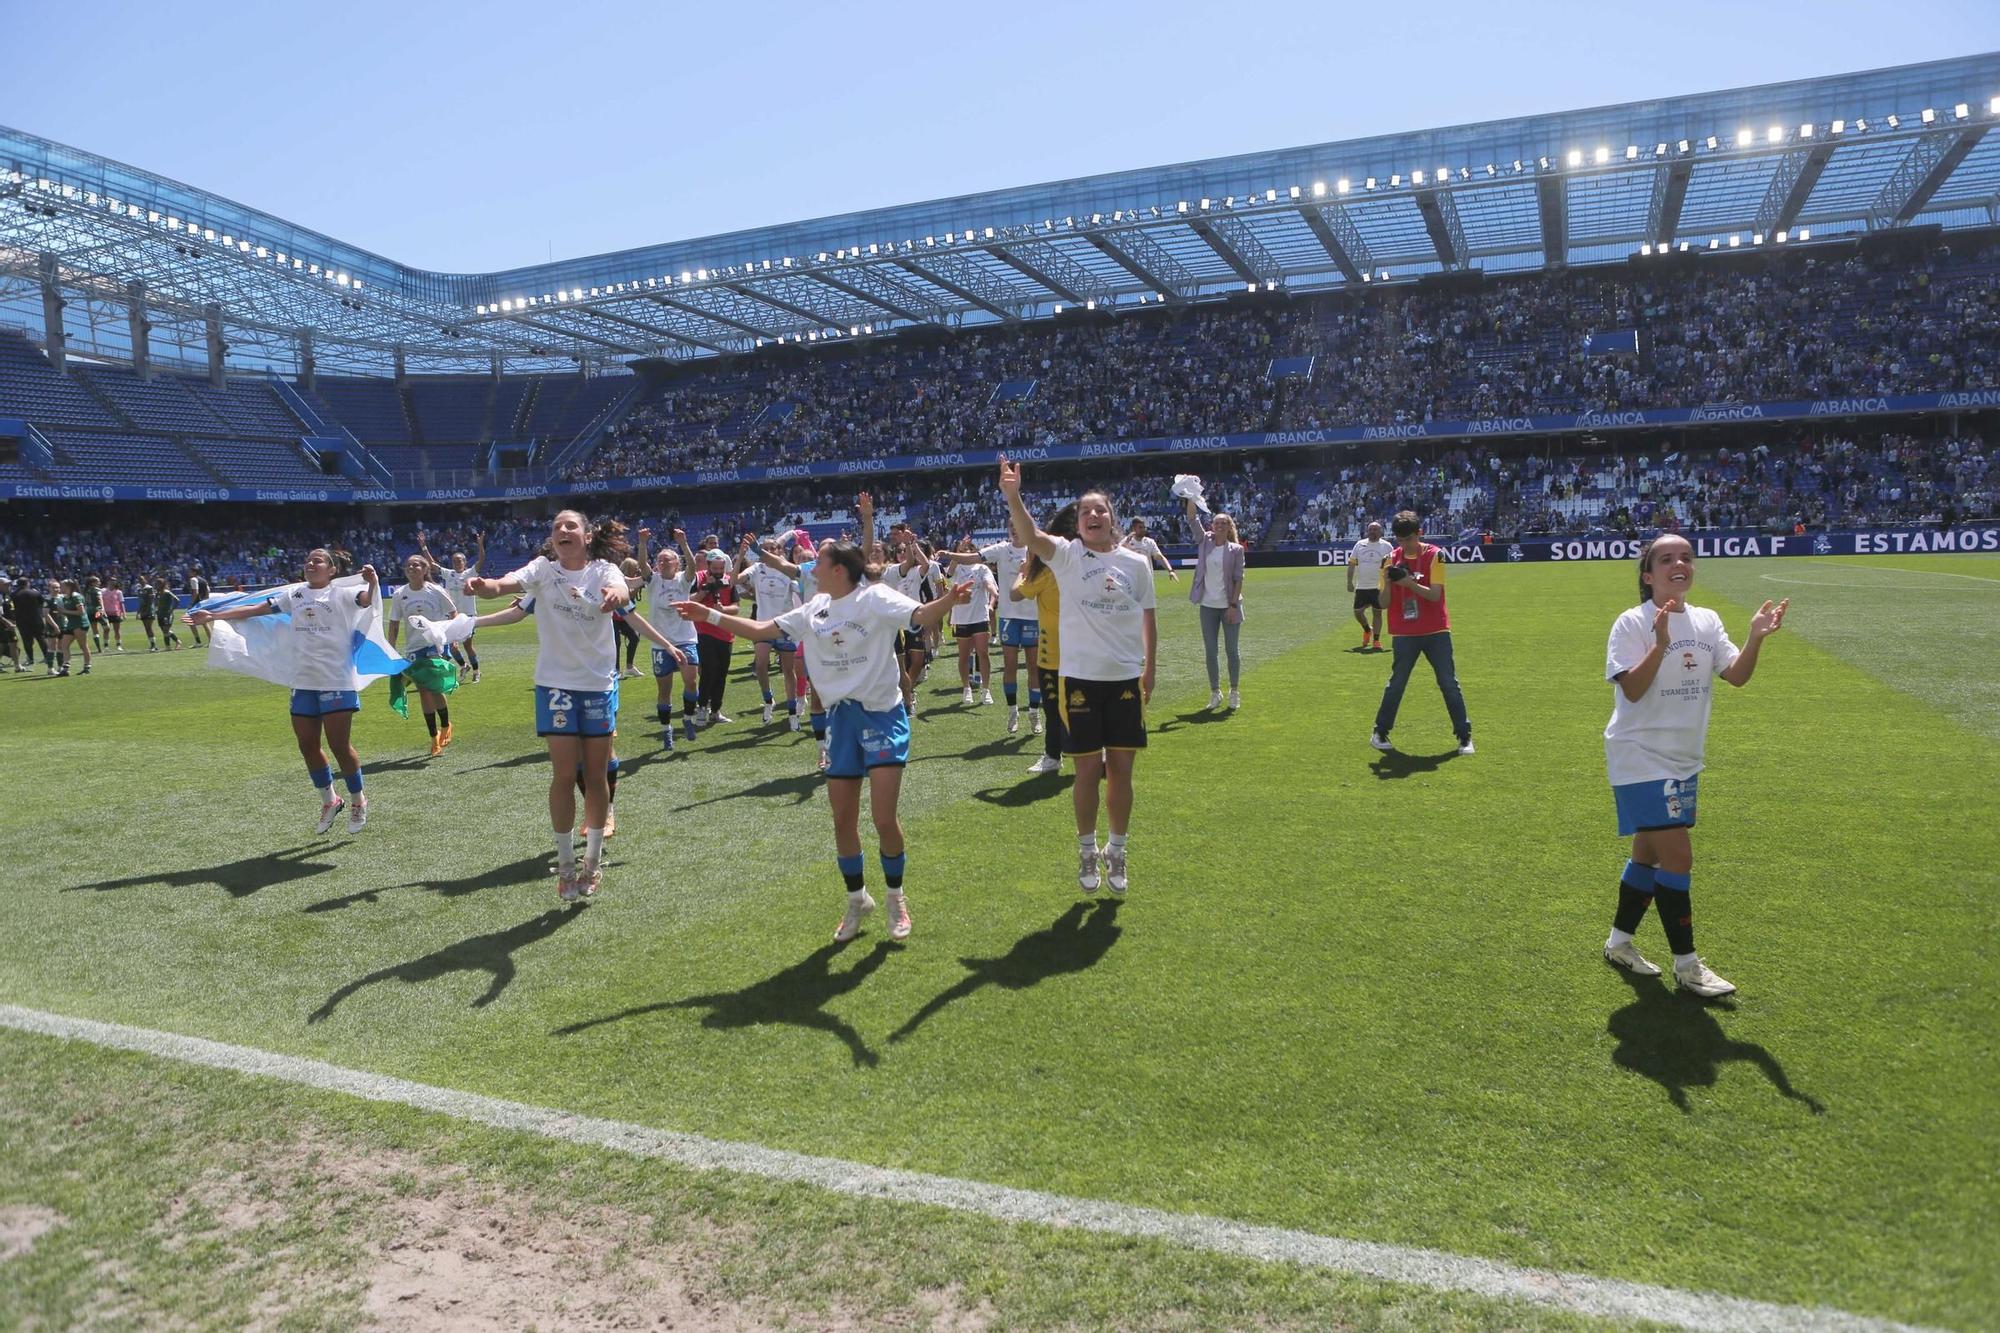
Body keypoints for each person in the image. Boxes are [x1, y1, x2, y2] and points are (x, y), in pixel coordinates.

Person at [671, 494, 970, 943]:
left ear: (837, 569)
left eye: (820, 560)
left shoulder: (875, 599)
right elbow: (759, 630)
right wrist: (707, 613)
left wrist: (948, 598)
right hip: (842, 724)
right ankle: (856, 901)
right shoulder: (815, 609)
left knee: (884, 819)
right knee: (842, 820)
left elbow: (920, 615)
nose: (811, 565)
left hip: (883, 716)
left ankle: (895, 897)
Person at [1601, 535, 1789, 998]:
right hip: (1640, 754)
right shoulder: (1632, 622)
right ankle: (1687, 966)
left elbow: (1737, 676)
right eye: (1666, 559)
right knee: (1678, 856)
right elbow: (1633, 690)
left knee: (1648, 852)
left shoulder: (1707, 620)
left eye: (1685, 556)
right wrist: (1661, 643)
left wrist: (1755, 638)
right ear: (1648, 576)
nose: (1678, 563)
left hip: (1684, 758)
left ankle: (1620, 942)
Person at [998, 457, 1157, 896]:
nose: (1092, 515)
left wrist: (1151, 667)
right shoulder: (1067, 557)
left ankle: (1117, 848)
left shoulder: (1136, 564)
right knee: (1087, 771)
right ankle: (1087, 849)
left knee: (1122, 771)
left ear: (1111, 518)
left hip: (1125, 680)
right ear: (1079, 521)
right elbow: (1030, 536)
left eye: (1099, 509)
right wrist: (1013, 496)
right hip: (1080, 682)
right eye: (1085, 510)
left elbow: (1149, 617)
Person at [462, 511, 630, 903]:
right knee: (562, 774)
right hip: (555, 685)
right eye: (556, 526)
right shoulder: (542, 568)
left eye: (570, 526)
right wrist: (484, 586)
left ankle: (592, 861)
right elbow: (505, 584)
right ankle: (566, 862)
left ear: (588, 536)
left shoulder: (604, 570)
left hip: (596, 684)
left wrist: (615, 596)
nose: (562, 531)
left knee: (595, 776)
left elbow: (620, 590)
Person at [187, 548, 378, 835]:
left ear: (332, 570)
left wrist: (373, 582)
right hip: (303, 681)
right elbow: (255, 610)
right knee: (307, 744)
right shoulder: (295, 595)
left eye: (318, 560)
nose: (311, 563)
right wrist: (214, 615)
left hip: (335, 680)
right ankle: (330, 800)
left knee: (339, 745)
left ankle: (358, 800)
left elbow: (365, 600)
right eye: (308, 560)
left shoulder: (341, 594)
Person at [1368, 512, 1472, 756]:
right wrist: (1388, 580)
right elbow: (1383, 604)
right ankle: (1379, 732)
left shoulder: (1434, 555)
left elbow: (1435, 595)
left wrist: (1409, 583)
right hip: (1404, 632)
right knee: (1396, 685)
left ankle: (1464, 736)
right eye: (1401, 540)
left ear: (1419, 534)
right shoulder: (1389, 560)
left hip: (1436, 629)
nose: (1406, 545)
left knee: (1449, 683)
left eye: (1410, 539)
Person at [947, 532, 1040, 732]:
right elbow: (973, 557)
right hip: (1008, 616)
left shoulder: (1036, 549)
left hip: (1033, 615)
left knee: (1034, 667)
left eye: (1019, 525)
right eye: (1011, 526)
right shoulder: (1001, 549)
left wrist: (994, 593)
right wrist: (950, 553)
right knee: (1010, 666)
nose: (1016, 529)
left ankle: (1034, 712)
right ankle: (1013, 711)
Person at [1014, 501, 1079, 773]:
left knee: (1053, 707)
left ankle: (1053, 756)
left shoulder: (1047, 568)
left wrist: (1023, 571)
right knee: (1082, 706)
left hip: (1053, 651)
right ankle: (1093, 754)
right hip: (1084, 648)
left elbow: (1015, 594)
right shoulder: (1084, 562)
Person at [386, 553, 461, 757]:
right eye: (409, 565)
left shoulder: (436, 590)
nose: (412, 568)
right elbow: (394, 623)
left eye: (417, 565)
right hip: (413, 649)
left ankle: (445, 726)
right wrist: (390, 648)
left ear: (425, 569)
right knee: (424, 690)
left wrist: (452, 635)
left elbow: (453, 612)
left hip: (434, 646)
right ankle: (433, 736)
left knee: (432, 688)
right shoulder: (400, 594)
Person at [635, 526, 701, 749]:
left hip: (685, 640)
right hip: (661, 643)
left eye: (668, 560)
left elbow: (693, 566)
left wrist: (683, 543)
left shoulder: (683, 580)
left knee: (691, 681)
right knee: (664, 690)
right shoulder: (653, 582)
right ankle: (666, 730)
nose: (663, 563)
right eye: (660, 560)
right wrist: (643, 543)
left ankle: (688, 719)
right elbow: (642, 565)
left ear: (676, 563)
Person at [734, 532, 806, 727]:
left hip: (784, 626)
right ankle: (768, 700)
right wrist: (740, 556)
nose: (768, 551)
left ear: (779, 551)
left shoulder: (787, 571)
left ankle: (792, 712)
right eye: (765, 548)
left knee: (788, 671)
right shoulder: (757, 568)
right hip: (763, 625)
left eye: (772, 548)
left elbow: (802, 590)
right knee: (760, 666)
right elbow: (734, 581)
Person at [1183, 497, 1246, 710]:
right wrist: (1191, 496)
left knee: (1232, 650)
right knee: (1210, 650)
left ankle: (1234, 691)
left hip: (1229, 605)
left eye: (1223, 523)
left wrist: (1233, 605)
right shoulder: (1205, 541)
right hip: (1208, 605)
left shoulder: (1236, 549)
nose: (1218, 526)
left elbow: (1239, 579)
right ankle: (1215, 692)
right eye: (1216, 523)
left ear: (1229, 527)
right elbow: (1192, 518)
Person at [421, 530, 487, 683]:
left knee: (467, 646)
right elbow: (431, 564)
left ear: (464, 562)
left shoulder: (470, 573)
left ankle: (477, 671)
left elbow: (481, 559)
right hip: (452, 616)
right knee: (452, 647)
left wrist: (480, 545)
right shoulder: (448, 573)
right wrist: (424, 547)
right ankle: (464, 666)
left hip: (469, 615)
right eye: (454, 561)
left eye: (459, 561)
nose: (457, 563)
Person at [937, 538, 997, 706]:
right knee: (963, 656)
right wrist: (959, 550)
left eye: (968, 548)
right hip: (961, 617)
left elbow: (988, 583)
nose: (965, 551)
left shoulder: (982, 567)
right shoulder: (955, 568)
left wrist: (993, 596)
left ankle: (986, 690)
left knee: (983, 653)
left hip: (980, 616)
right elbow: (949, 574)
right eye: (962, 549)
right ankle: (966, 688)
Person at [690, 548, 738, 725]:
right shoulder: (699, 578)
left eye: (721, 568)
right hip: (704, 631)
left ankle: (716, 710)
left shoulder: (728, 581)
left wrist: (724, 610)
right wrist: (705, 590)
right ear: (708, 565)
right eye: (715, 568)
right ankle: (702, 708)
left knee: (721, 673)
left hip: (725, 633)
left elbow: (736, 607)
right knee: (709, 670)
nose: (718, 572)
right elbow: (690, 601)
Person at [1347, 520, 1394, 650]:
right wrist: (1349, 582)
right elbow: (1352, 564)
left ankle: (1376, 640)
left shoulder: (1387, 546)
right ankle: (1367, 629)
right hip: (1362, 585)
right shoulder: (1359, 545)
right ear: (1367, 531)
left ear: (1380, 532)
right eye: (1370, 529)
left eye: (1375, 529)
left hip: (1379, 585)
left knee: (1377, 613)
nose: (1372, 532)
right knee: (1357, 612)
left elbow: (1393, 565)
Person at [52, 579, 91, 676]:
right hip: (71, 624)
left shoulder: (76, 596)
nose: (61, 588)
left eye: (62, 586)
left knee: (83, 646)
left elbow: (81, 612)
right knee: (64, 645)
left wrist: (64, 611)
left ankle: (87, 667)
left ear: (69, 587)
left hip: (80, 623)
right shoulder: (65, 598)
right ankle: (66, 668)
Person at [184, 567, 211, 646]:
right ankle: (210, 641)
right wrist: (205, 601)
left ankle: (198, 641)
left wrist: (192, 603)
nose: (189, 573)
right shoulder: (204, 580)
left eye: (190, 572)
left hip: (196, 603)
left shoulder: (193, 580)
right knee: (205, 623)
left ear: (194, 572)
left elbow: (195, 592)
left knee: (190, 621)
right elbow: (208, 591)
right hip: (203, 603)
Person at [101, 579, 126, 652]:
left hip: (116, 613)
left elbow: (121, 603)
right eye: (111, 580)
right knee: (106, 629)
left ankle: (118, 645)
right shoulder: (103, 591)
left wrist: (123, 613)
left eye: (114, 581)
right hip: (106, 614)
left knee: (117, 630)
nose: (112, 582)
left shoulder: (118, 592)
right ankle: (106, 646)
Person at [134, 579, 157, 652]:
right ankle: (152, 644)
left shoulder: (149, 588)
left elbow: (152, 599)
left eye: (142, 580)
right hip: (143, 611)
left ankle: (153, 645)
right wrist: (138, 612)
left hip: (149, 611)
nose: (141, 582)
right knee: (147, 628)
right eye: (140, 580)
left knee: (149, 627)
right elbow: (141, 602)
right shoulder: (139, 590)